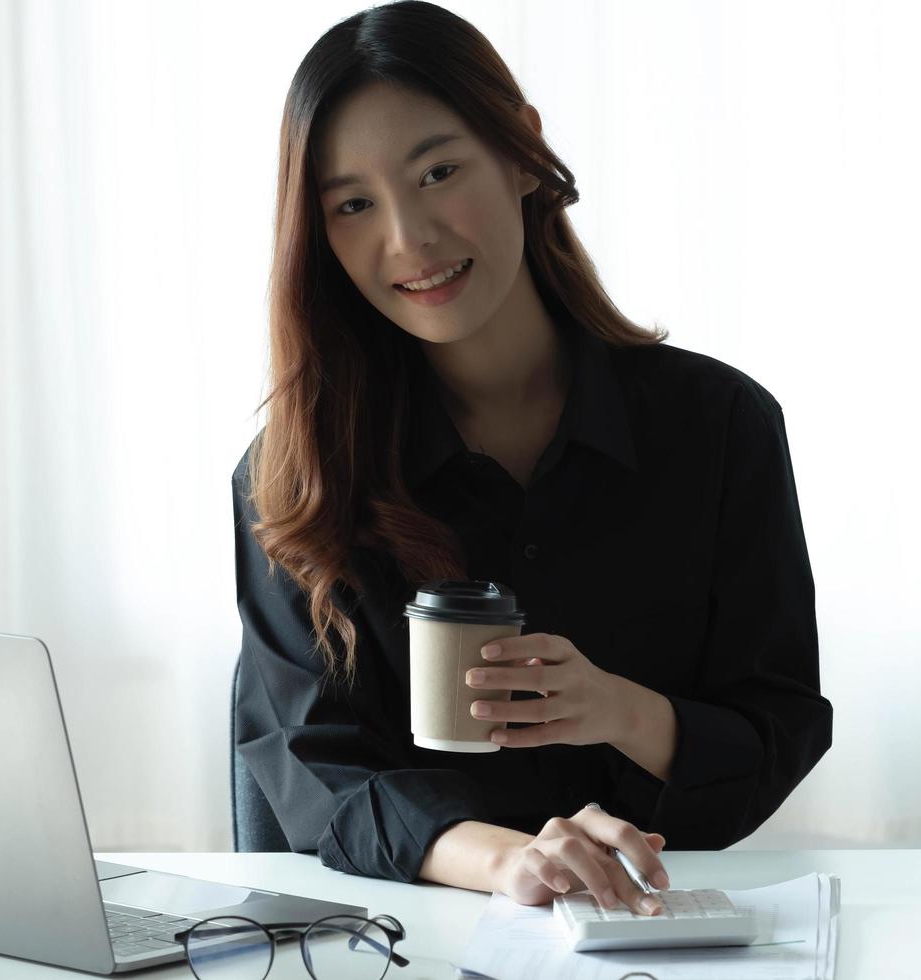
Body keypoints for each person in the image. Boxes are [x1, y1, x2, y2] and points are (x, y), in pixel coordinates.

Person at [232, 0, 831, 917]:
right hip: (402, 945)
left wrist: (619, 710)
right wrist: (513, 860)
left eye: (437, 171)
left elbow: (779, 726)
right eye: (353, 204)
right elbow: (311, 769)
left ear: (520, 153)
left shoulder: (720, 428)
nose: (409, 239)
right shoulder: (296, 471)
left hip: (665, 936)